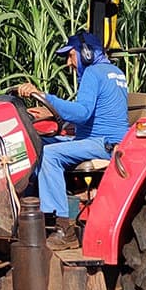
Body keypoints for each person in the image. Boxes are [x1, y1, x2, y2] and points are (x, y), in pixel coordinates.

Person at [15, 30, 129, 249]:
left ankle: (62, 227)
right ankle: (29, 206)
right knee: (35, 144)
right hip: (97, 139)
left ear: (86, 53)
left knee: (49, 154)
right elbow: (93, 113)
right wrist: (52, 112)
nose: (69, 63)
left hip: (104, 144)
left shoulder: (93, 73)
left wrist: (46, 96)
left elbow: (82, 113)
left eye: (71, 55)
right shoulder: (113, 71)